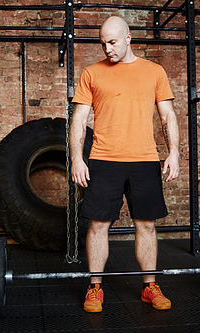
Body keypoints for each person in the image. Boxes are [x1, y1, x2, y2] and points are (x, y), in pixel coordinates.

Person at [69, 16, 180, 313]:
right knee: (98, 225)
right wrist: (77, 158)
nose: (107, 49)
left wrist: (174, 153)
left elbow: (168, 115)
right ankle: (95, 288)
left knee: (146, 224)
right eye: (103, 43)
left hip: (144, 159)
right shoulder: (92, 73)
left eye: (113, 42)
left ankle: (150, 286)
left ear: (129, 38)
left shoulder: (154, 71)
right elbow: (79, 119)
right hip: (104, 160)